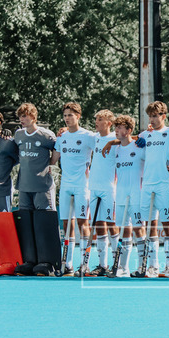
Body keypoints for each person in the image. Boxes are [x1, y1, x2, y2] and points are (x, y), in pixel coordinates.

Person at [136, 101, 169, 278]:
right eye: (150, 116)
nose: (152, 119)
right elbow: (128, 140)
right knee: (150, 226)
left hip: (165, 185)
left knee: (168, 225)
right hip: (148, 185)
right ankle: (153, 267)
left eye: (155, 116)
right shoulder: (144, 135)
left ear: (164, 116)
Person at [50, 103, 95, 276]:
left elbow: (105, 144)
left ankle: (84, 263)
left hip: (82, 185)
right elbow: (53, 159)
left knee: (83, 223)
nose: (67, 118)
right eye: (65, 115)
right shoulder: (62, 137)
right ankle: (67, 264)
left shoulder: (88, 136)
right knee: (67, 224)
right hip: (66, 185)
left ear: (78, 116)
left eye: (70, 115)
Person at [109, 115, 146, 277]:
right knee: (124, 230)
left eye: (120, 128)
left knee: (138, 229)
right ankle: (123, 267)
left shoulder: (139, 147)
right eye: (115, 127)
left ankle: (142, 266)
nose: (116, 131)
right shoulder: (116, 149)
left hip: (136, 194)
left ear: (129, 130)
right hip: (121, 195)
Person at [86, 109, 119, 276]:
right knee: (99, 226)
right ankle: (102, 265)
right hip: (94, 187)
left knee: (111, 225)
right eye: (96, 119)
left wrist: (112, 142)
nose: (96, 122)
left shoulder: (115, 138)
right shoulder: (95, 137)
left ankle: (117, 264)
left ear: (109, 123)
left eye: (100, 119)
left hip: (109, 188)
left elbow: (132, 138)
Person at [14, 103, 56, 212]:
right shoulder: (18, 134)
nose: (21, 119)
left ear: (33, 117)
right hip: (24, 187)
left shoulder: (46, 135)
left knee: (45, 220)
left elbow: (58, 148)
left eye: (24, 116)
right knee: (25, 220)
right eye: (20, 116)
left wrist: (50, 163)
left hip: (42, 187)